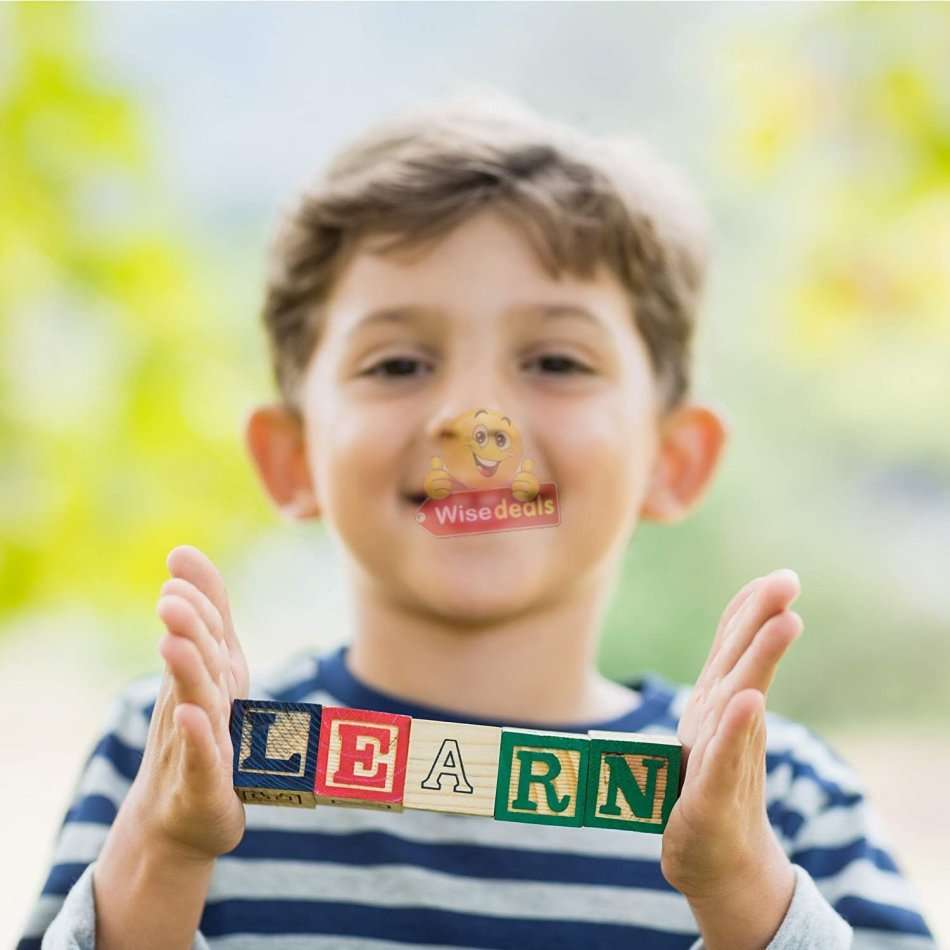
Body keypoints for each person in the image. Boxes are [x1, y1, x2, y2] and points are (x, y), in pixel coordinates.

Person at [18, 90, 938, 949]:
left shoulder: (781, 802)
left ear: (674, 459)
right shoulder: (178, 751)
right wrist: (164, 859)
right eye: (397, 365)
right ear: (291, 457)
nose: (473, 423)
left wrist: (744, 892)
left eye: (556, 361)